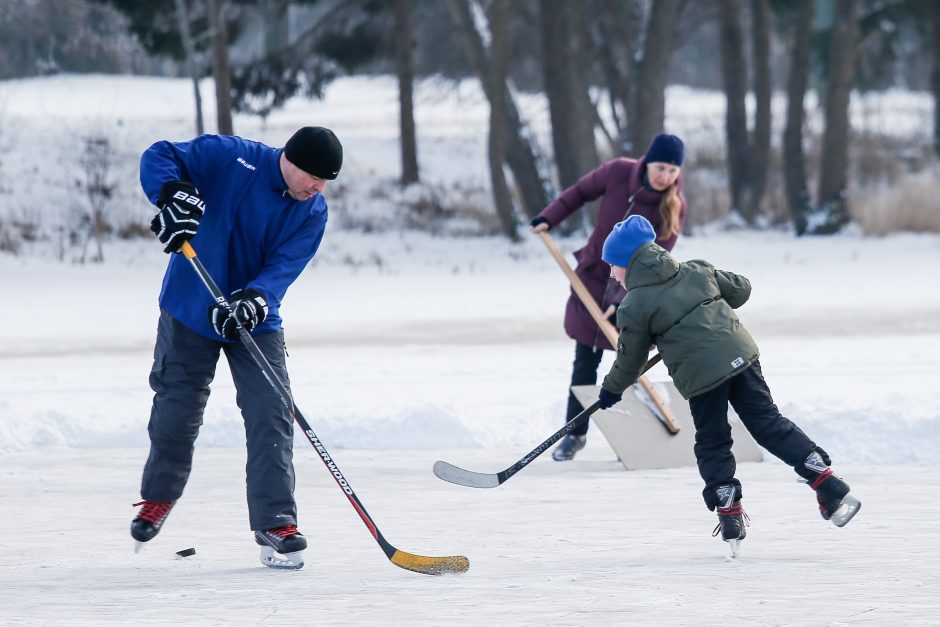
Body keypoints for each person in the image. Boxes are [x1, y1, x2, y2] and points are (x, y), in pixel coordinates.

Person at [130, 126, 343, 567]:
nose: (318, 188)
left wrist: (256, 299)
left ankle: (276, 521)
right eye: (315, 178)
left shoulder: (312, 212)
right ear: (291, 160)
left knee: (271, 413)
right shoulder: (229, 156)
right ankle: (158, 497)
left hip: (254, 319)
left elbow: (283, 268)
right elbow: (158, 155)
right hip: (191, 305)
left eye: (325, 182)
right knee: (177, 408)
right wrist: (172, 193)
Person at [596, 215, 861, 552]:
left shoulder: (634, 305)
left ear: (630, 263)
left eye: (614, 266)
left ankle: (728, 505)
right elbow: (742, 289)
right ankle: (822, 476)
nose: (612, 274)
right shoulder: (696, 270)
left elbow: (629, 360)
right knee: (767, 423)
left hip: (700, 375)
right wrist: (705, 301)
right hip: (740, 355)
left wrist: (611, 390)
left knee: (713, 440)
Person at [529, 133, 688, 461]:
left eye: (673, 171)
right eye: (660, 168)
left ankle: (630, 435)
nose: (665, 177)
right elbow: (579, 192)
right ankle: (575, 434)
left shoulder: (673, 206)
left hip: (634, 290)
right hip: (591, 278)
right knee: (585, 358)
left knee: (628, 362)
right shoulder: (617, 173)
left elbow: (654, 262)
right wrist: (549, 217)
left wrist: (621, 296)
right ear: (647, 162)